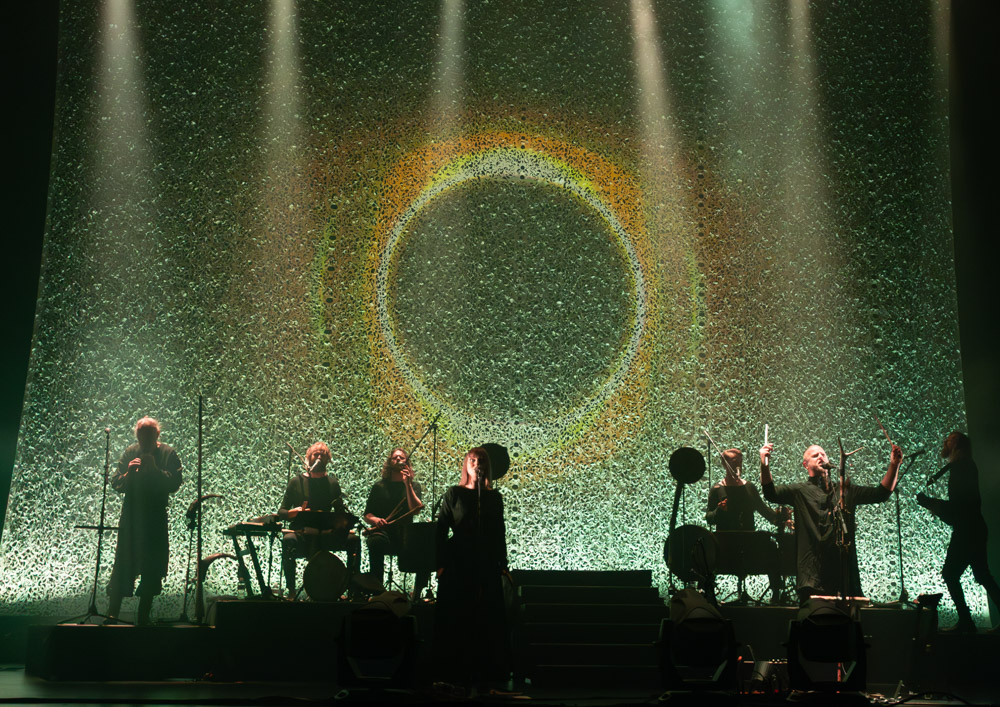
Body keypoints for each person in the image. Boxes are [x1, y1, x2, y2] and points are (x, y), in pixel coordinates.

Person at [760, 439, 902, 603]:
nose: (820, 457)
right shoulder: (800, 491)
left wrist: (894, 465)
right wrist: (764, 464)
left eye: (823, 454)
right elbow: (770, 493)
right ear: (805, 465)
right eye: (815, 455)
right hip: (811, 575)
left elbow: (881, 494)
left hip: (842, 575)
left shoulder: (845, 490)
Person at [435, 447, 509, 688]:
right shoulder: (454, 493)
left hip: (485, 559)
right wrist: (441, 563)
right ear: (466, 465)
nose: (478, 464)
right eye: (473, 460)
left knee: (486, 614)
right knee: (459, 614)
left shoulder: (493, 497)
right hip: (459, 560)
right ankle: (455, 670)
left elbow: (499, 532)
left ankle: (486, 670)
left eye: (482, 461)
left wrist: (502, 563)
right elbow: (441, 530)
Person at [917, 431, 1000, 633]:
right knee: (981, 575)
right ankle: (966, 621)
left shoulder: (961, 467)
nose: (945, 441)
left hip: (967, 531)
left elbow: (960, 508)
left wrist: (931, 503)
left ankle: (966, 621)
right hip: (973, 529)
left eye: (949, 438)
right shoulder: (963, 466)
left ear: (955, 444)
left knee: (951, 573)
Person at [107, 417, 183, 625]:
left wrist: (156, 471)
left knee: (152, 568)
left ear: (157, 435)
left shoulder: (168, 453)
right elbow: (115, 482)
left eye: (149, 435)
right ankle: (112, 614)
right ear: (137, 435)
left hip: (155, 519)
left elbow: (175, 484)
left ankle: (143, 616)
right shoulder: (130, 453)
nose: (145, 439)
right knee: (123, 564)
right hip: (131, 517)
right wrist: (129, 473)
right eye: (142, 435)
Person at [705, 448, 791, 603]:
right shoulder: (717, 489)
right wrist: (719, 510)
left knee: (772, 548)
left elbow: (764, 510)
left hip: (748, 542)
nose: (738, 464)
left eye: (739, 461)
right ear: (724, 464)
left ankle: (776, 596)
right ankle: (707, 596)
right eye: (733, 461)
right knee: (706, 550)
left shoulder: (749, 487)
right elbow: (709, 519)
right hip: (725, 543)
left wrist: (780, 518)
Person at [278, 441, 360, 596]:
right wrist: (293, 512)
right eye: (316, 454)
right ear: (308, 457)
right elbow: (281, 511)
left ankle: (350, 590)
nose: (319, 457)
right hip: (302, 533)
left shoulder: (332, 483)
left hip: (326, 534)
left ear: (328, 460)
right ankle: (291, 590)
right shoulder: (297, 482)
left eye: (323, 455)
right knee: (288, 540)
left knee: (353, 541)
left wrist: (341, 523)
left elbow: (340, 511)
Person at [364, 447, 429, 599]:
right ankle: (377, 590)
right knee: (374, 541)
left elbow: (416, 509)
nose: (398, 460)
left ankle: (418, 592)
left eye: (402, 458)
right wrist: (375, 520)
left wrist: (408, 485)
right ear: (390, 462)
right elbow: (368, 513)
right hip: (384, 533)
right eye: (395, 458)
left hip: (405, 535)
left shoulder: (414, 486)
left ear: (407, 463)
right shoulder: (379, 487)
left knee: (426, 542)